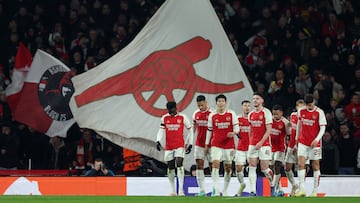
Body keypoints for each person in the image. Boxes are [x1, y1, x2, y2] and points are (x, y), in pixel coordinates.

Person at [156, 101, 193, 196]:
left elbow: (190, 130)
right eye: (169, 110)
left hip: (180, 145)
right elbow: (161, 130)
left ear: (176, 108)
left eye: (172, 110)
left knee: (179, 164)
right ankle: (173, 191)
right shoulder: (164, 118)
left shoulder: (183, 117)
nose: (171, 112)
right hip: (169, 147)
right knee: (170, 167)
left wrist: (190, 143)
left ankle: (181, 190)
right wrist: (158, 140)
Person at [205, 94, 239, 196]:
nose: (221, 103)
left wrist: (233, 133)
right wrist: (207, 144)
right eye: (219, 101)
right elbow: (209, 131)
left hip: (229, 145)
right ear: (216, 103)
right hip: (216, 144)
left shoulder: (231, 114)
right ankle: (215, 190)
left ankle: (224, 190)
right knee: (215, 164)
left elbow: (237, 128)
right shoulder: (212, 115)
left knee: (228, 168)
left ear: (225, 103)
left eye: (222, 101)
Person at [295, 94, 327, 197]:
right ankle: (302, 190)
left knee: (315, 166)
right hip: (303, 141)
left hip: (315, 143)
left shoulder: (319, 112)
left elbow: (322, 129)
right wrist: (297, 138)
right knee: (300, 164)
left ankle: (315, 191)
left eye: (311, 104)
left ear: (314, 102)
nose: (309, 106)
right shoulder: (301, 111)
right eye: (307, 104)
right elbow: (299, 124)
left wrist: (316, 139)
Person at [248, 92, 273, 196]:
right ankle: (253, 191)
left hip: (264, 144)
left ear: (262, 101)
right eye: (253, 99)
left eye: (257, 98)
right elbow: (250, 129)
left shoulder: (266, 113)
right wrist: (251, 142)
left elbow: (269, 130)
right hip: (253, 144)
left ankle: (273, 184)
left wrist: (261, 142)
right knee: (252, 166)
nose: (255, 101)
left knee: (264, 169)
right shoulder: (251, 114)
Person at [192, 95, 212, 196]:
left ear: (206, 103)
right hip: (199, 144)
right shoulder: (196, 113)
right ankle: (202, 190)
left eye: (202, 105)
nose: (200, 107)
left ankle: (215, 189)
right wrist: (189, 142)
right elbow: (193, 129)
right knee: (199, 165)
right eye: (198, 105)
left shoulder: (212, 114)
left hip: (211, 145)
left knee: (213, 166)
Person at [285, 99, 305, 196]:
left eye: (302, 107)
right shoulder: (293, 115)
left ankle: (301, 188)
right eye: (299, 106)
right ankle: (294, 185)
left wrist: (298, 145)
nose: (300, 108)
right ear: (296, 107)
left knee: (301, 166)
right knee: (287, 167)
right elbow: (291, 129)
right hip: (291, 145)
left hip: (301, 145)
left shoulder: (304, 117)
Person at [270, 104, 290, 197]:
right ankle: (280, 189)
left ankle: (273, 186)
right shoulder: (270, 120)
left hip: (281, 148)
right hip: (270, 147)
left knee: (277, 166)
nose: (275, 116)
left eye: (277, 114)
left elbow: (289, 134)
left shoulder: (285, 122)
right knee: (271, 169)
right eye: (273, 114)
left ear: (281, 113)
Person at [234, 100, 251, 196]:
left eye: (249, 105)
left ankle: (253, 190)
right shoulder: (237, 119)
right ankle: (242, 184)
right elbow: (234, 130)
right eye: (245, 105)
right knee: (238, 168)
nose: (247, 107)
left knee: (254, 168)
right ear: (242, 107)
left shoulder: (252, 119)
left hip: (251, 148)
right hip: (240, 148)